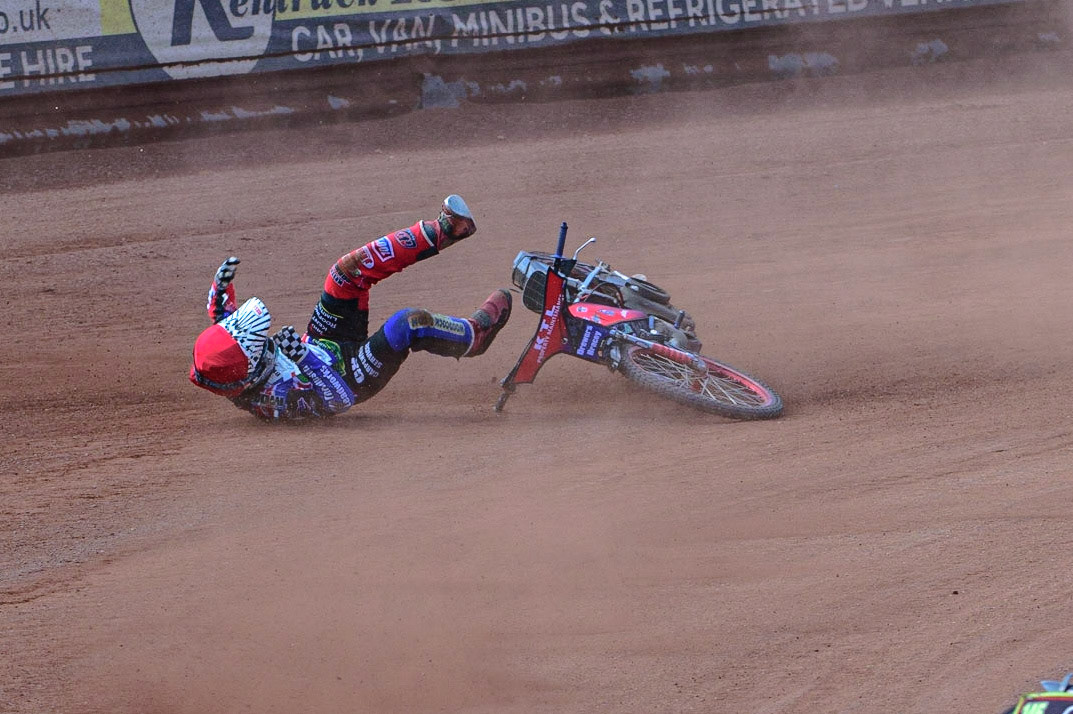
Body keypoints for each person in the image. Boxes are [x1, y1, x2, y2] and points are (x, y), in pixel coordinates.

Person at [188, 195, 512, 421]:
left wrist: (220, 289)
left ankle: (444, 231)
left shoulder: (235, 369)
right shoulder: (277, 402)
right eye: (256, 346)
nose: (262, 341)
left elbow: (227, 325)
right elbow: (339, 400)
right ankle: (474, 336)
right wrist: (303, 358)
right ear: (249, 372)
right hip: (349, 376)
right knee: (407, 324)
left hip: (321, 344)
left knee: (343, 274)